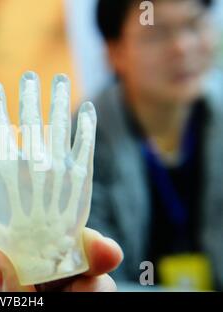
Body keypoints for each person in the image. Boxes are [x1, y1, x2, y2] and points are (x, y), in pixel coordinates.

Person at [84, 0, 222, 290]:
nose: (182, 47)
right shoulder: (82, 145)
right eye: (157, 34)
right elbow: (91, 280)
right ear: (115, 52)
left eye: (194, 25)